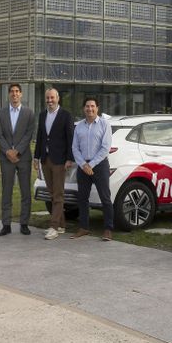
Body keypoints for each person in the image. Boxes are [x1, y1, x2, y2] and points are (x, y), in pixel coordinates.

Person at [33, 88, 74, 240]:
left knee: (58, 194)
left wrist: (70, 158)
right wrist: (36, 157)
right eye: (47, 98)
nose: (49, 101)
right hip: (45, 159)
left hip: (60, 160)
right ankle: (62, 225)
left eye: (52, 98)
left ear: (58, 98)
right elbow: (40, 136)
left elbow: (71, 138)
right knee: (52, 193)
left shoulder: (66, 115)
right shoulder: (43, 115)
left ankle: (54, 226)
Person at [71, 97, 114, 241]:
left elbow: (105, 147)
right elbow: (74, 148)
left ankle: (108, 229)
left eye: (92, 106)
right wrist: (83, 164)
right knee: (82, 198)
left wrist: (92, 164)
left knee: (105, 198)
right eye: (87, 106)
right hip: (83, 166)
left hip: (99, 165)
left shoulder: (104, 124)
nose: (90, 109)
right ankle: (84, 228)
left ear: (97, 108)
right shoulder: (79, 126)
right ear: (84, 108)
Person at [0, 83, 36, 236]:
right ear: (9, 94)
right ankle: (6, 224)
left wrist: (17, 151)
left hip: (23, 158)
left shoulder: (29, 113)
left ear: (21, 94)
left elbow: (28, 134)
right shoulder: (1, 113)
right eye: (12, 91)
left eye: (17, 91)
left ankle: (24, 223)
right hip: (6, 158)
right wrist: (8, 151)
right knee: (6, 191)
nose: (14, 94)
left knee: (25, 191)